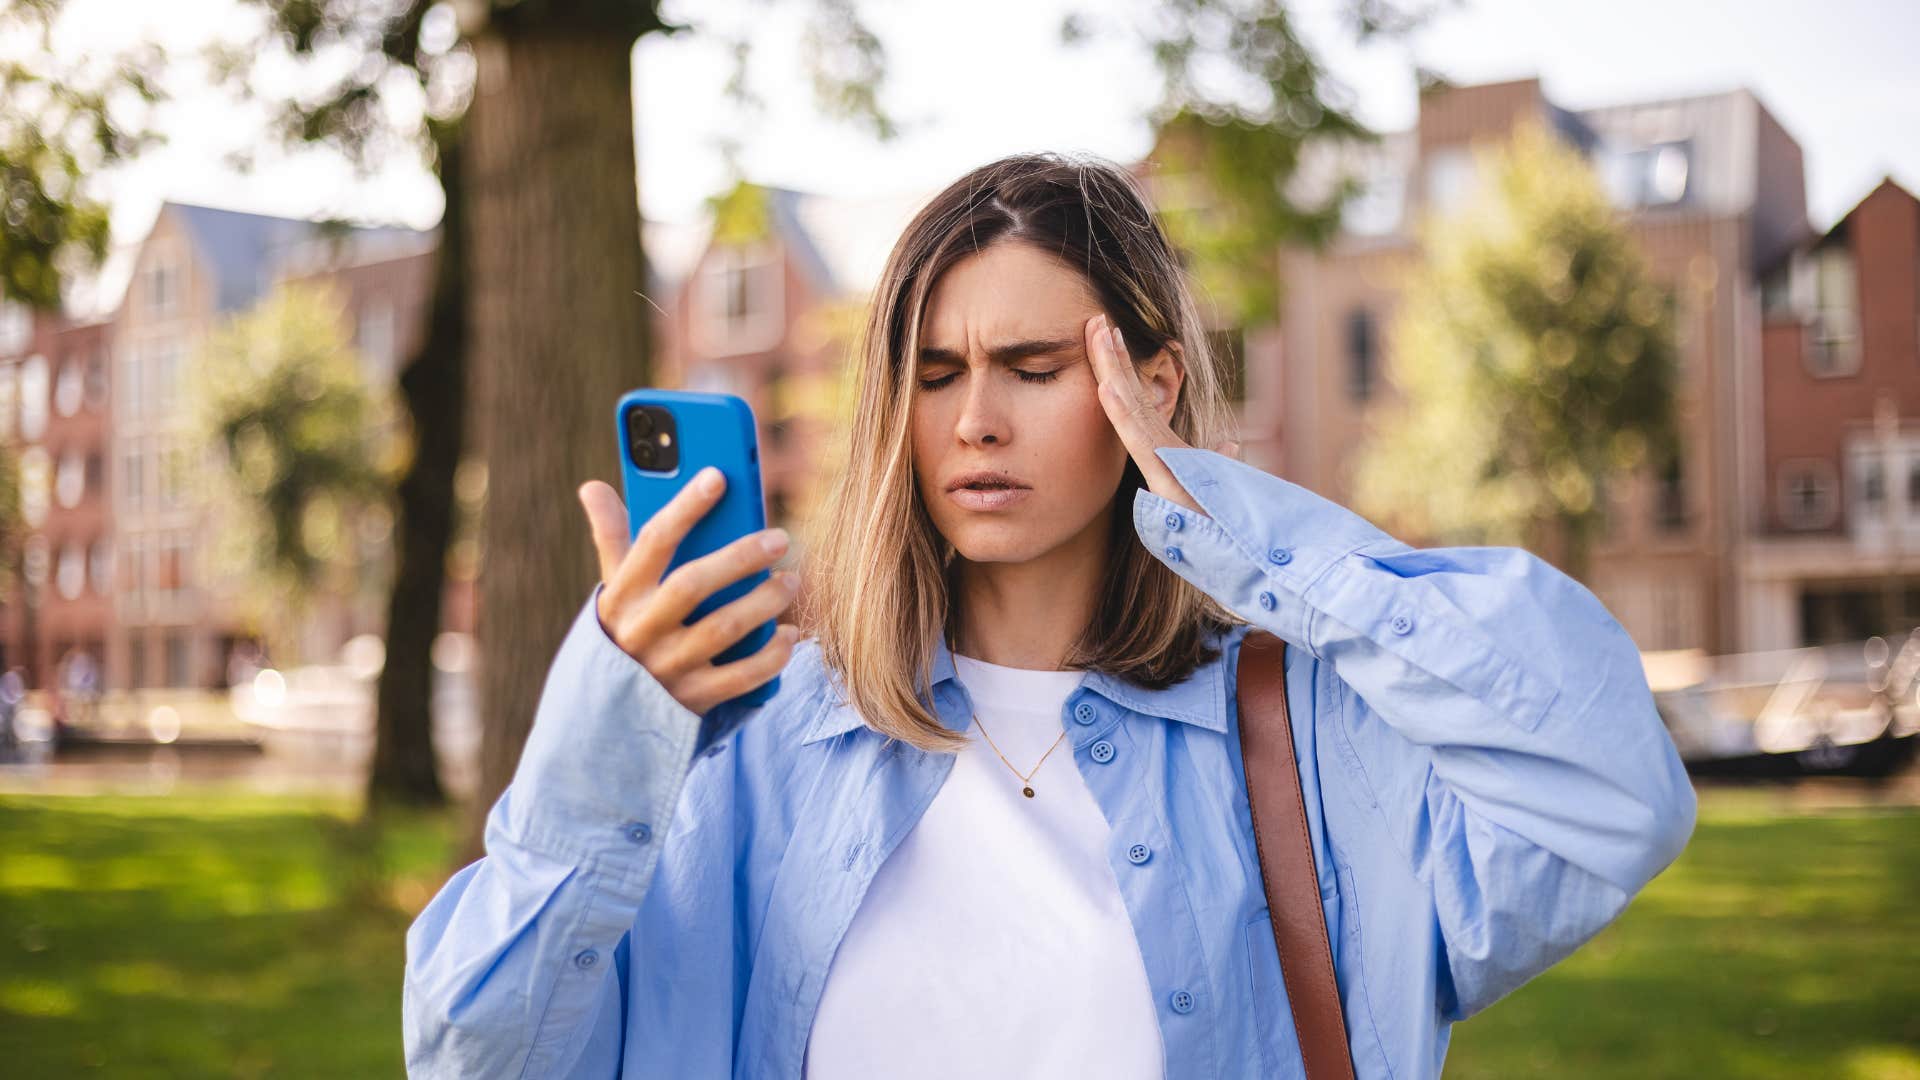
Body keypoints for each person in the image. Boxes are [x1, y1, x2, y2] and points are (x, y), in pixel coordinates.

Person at [402, 152, 1696, 1079]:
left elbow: (1610, 784)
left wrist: (1234, 525)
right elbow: (472, 1053)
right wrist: (611, 729)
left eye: (1032, 369)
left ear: (1151, 386)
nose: (976, 420)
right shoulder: (754, 748)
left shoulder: (1310, 744)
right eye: (935, 375)